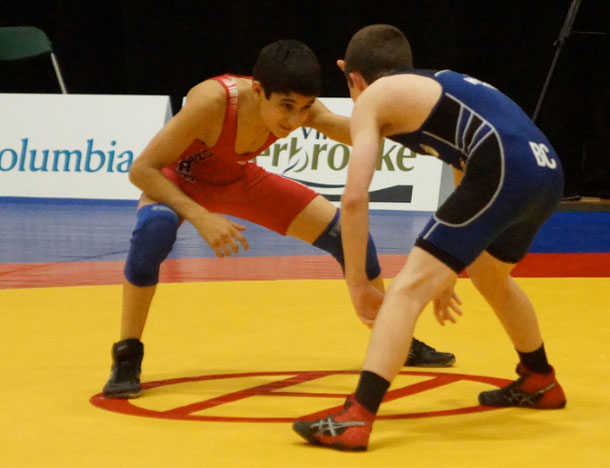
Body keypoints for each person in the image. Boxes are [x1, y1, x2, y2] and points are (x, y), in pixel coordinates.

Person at [102, 39, 455, 399]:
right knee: (153, 231)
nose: (295, 120)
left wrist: (409, 126)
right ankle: (127, 355)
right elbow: (143, 170)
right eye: (286, 107)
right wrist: (200, 216)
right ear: (257, 91)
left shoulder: (299, 107)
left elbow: (350, 131)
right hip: (177, 180)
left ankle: (393, 337)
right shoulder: (213, 102)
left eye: (304, 109)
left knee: (348, 235)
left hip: (235, 179)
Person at [293, 24, 567, 451]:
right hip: (545, 171)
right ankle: (539, 378)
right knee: (490, 276)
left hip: (503, 165)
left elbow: (352, 199)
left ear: (352, 76)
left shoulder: (374, 99)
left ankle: (356, 416)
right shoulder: (430, 86)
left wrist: (358, 284)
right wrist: (450, 264)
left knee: (403, 292)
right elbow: (465, 167)